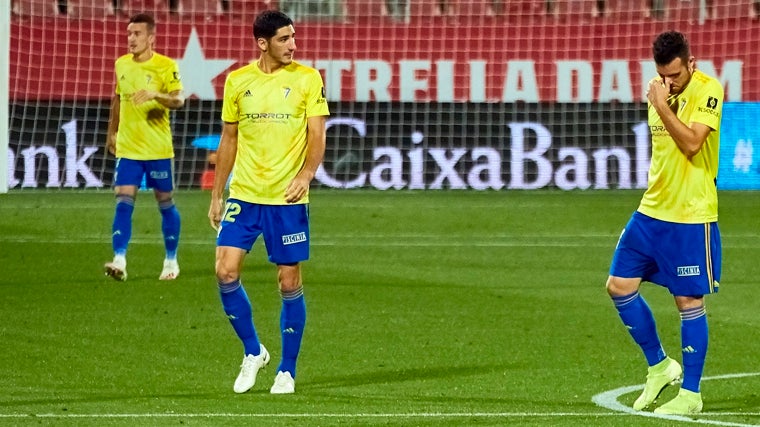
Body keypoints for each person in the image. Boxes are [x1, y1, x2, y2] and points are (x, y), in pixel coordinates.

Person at [207, 10, 329, 395]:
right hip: (244, 195)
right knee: (225, 271)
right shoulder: (238, 81)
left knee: (288, 279)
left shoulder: (308, 79)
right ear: (262, 43)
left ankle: (287, 370)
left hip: (287, 199)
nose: (293, 44)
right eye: (283, 39)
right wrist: (216, 191)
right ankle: (253, 351)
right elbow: (229, 139)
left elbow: (317, 134)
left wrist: (306, 175)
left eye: (293, 37)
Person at [605, 31, 723, 415]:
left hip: (690, 217)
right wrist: (661, 98)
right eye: (662, 75)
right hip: (650, 211)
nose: (669, 82)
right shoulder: (659, 91)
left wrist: (663, 103)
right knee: (619, 285)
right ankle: (659, 366)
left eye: (675, 74)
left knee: (688, 300)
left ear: (691, 63)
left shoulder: (709, 90)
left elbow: (691, 144)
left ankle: (690, 394)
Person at [104, 13, 185, 282]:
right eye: (129, 34)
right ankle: (119, 259)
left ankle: (171, 260)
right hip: (129, 148)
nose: (131, 39)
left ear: (151, 37)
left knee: (164, 201)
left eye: (137, 34)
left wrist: (155, 95)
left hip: (158, 149)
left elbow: (178, 101)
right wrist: (112, 132)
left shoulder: (165, 66)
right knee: (123, 198)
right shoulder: (121, 64)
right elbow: (117, 99)